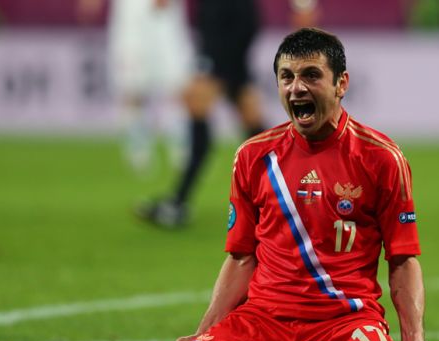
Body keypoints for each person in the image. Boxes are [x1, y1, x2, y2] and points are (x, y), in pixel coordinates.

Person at [121, 28, 439, 341]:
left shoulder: (381, 158)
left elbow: (403, 259)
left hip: (344, 328)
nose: (297, 88)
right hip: (262, 327)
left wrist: (414, 338)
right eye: (286, 77)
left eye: (311, 75)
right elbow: (240, 258)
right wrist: (203, 332)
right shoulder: (254, 157)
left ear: (341, 84)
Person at [135, 0, 320, 228]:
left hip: (228, 25)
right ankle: (300, 196)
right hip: (224, 26)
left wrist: (303, 7)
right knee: (252, 123)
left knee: (200, 106)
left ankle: (178, 204)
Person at [77, 0, 195, 175]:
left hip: (165, 22)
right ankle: (138, 151)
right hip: (131, 23)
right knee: (132, 89)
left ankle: (181, 149)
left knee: (177, 86)